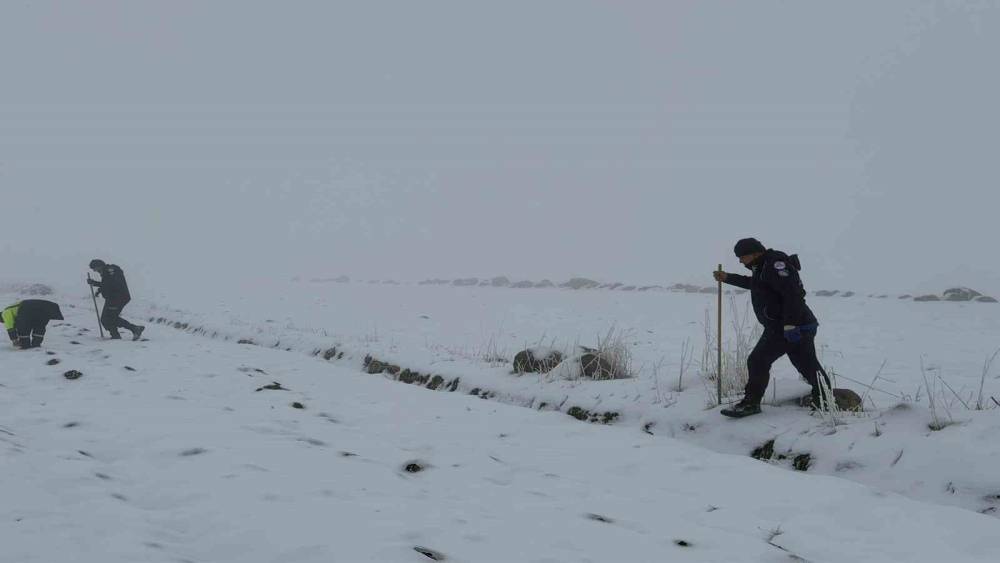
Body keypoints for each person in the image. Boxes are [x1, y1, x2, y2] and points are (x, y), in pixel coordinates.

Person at [713, 238, 831, 418]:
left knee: (758, 360)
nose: (739, 260)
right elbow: (757, 285)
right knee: (806, 364)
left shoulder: (774, 265)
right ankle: (825, 399)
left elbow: (794, 294)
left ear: (754, 253)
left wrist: (790, 325)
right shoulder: (762, 267)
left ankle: (751, 404)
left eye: (741, 256)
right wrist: (728, 278)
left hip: (789, 326)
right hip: (796, 325)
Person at [88, 259, 145, 341]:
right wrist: (99, 290)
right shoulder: (107, 271)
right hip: (114, 297)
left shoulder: (110, 270)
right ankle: (116, 335)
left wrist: (95, 283)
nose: (94, 270)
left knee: (108, 318)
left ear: (99, 266)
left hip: (117, 298)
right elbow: (107, 284)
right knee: (108, 318)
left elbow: (111, 284)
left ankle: (134, 328)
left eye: (94, 268)